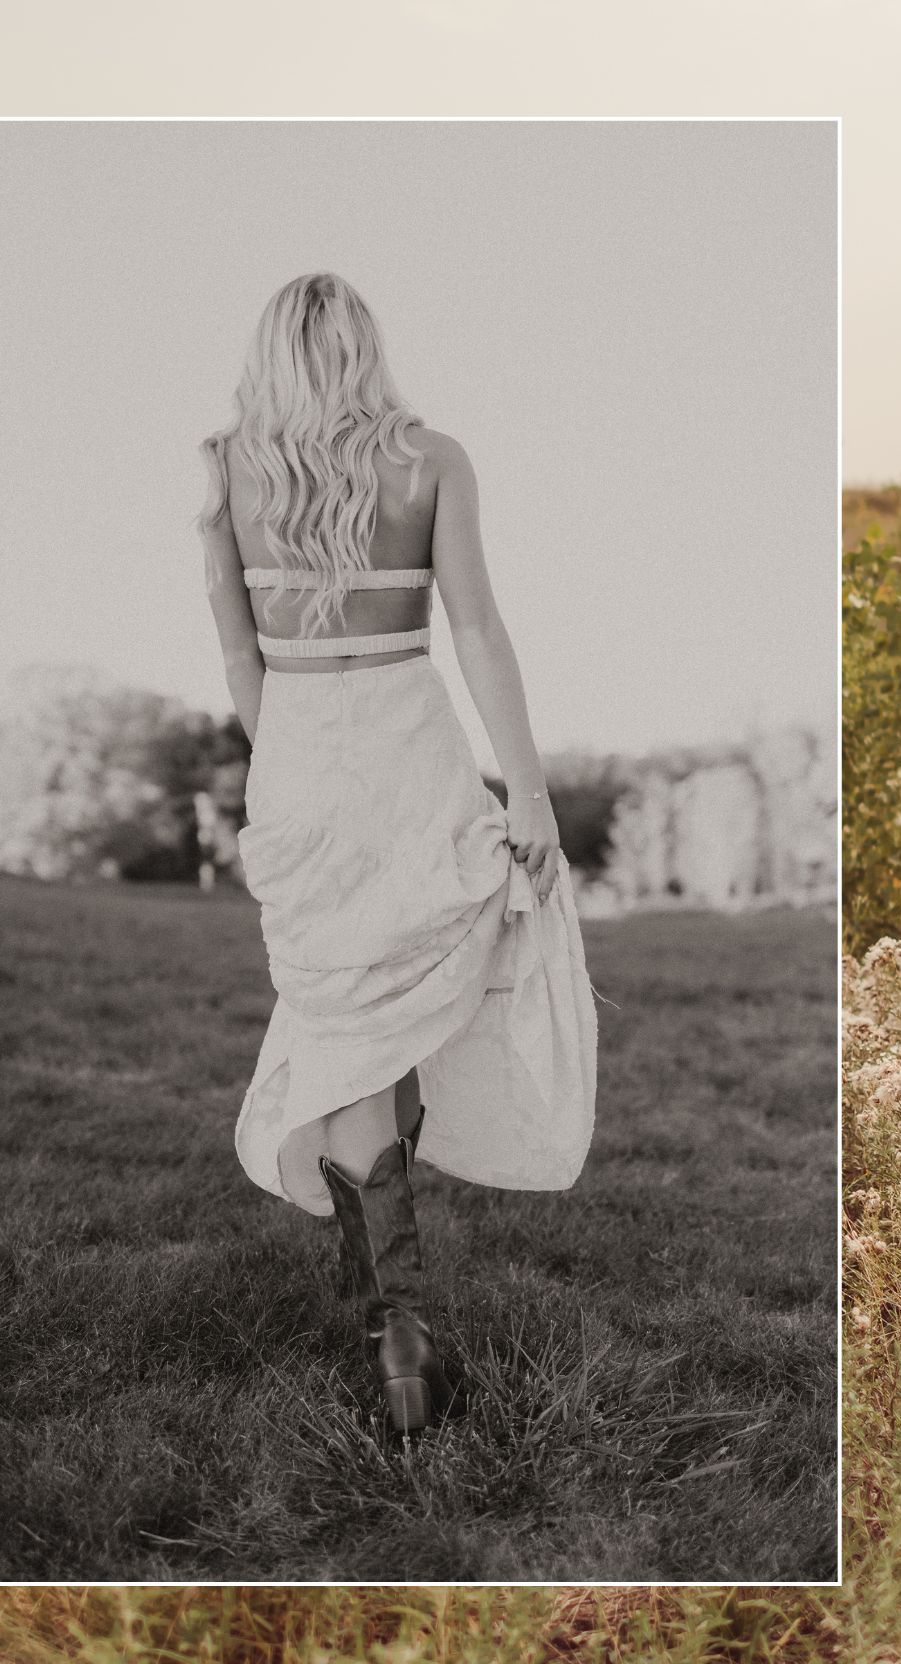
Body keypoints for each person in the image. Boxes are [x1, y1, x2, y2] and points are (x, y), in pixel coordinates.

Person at [198, 271, 598, 1438]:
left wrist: (291, 766)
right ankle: (400, 1336)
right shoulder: (434, 459)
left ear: (270, 350)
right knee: (382, 1023)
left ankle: (393, 1334)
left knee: (348, 1030)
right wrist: (523, 784)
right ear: (366, 349)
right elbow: (476, 627)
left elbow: (237, 657)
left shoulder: (225, 467)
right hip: (413, 746)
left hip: (301, 753)